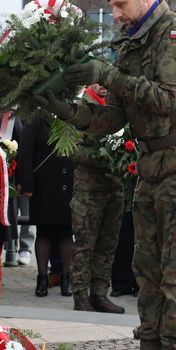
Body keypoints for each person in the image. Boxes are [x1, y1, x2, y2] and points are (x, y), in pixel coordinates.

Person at [32, 0, 176, 350]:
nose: (115, 13)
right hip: (153, 167)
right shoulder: (128, 43)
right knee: (147, 269)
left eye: (120, 4)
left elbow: (167, 100)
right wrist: (64, 109)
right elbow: (112, 116)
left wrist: (105, 74)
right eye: (113, 7)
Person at [69, 83, 126, 314]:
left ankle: (100, 294)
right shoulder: (81, 109)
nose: (103, 86)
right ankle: (80, 296)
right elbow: (71, 149)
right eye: (99, 81)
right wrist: (104, 158)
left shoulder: (119, 110)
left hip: (115, 188)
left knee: (108, 245)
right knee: (85, 245)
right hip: (88, 190)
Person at [16, 116, 76, 298]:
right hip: (44, 185)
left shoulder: (73, 114)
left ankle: (66, 279)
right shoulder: (36, 119)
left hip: (70, 184)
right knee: (44, 232)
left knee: (67, 232)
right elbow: (25, 151)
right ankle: (42, 278)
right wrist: (26, 184)